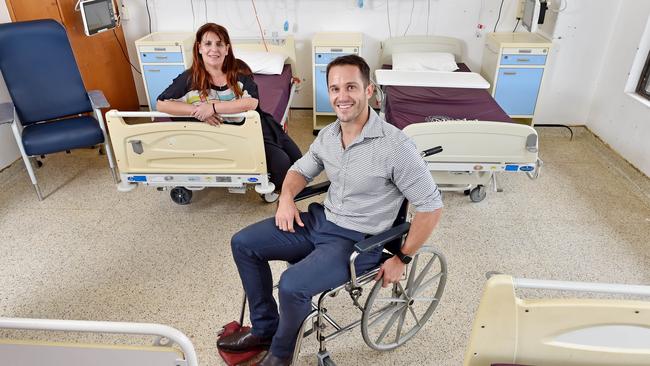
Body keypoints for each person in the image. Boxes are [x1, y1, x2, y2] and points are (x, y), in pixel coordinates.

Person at [218, 55, 443, 366]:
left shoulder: (396, 147)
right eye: (335, 88)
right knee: (243, 243)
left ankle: (281, 355)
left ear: (369, 91)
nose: (342, 96)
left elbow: (431, 207)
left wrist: (401, 258)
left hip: (359, 240)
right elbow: (299, 170)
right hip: (320, 221)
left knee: (293, 285)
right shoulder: (328, 135)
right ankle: (264, 329)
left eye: (351, 86)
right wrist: (285, 199)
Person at [156, 23, 302, 190]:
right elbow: (161, 104)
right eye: (208, 43)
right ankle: (278, 192)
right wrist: (197, 111)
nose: (214, 49)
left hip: (255, 128)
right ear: (199, 48)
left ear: (226, 49)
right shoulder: (189, 78)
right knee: (282, 165)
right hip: (227, 137)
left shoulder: (238, 73)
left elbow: (252, 102)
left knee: (298, 160)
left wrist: (212, 108)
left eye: (219, 44)